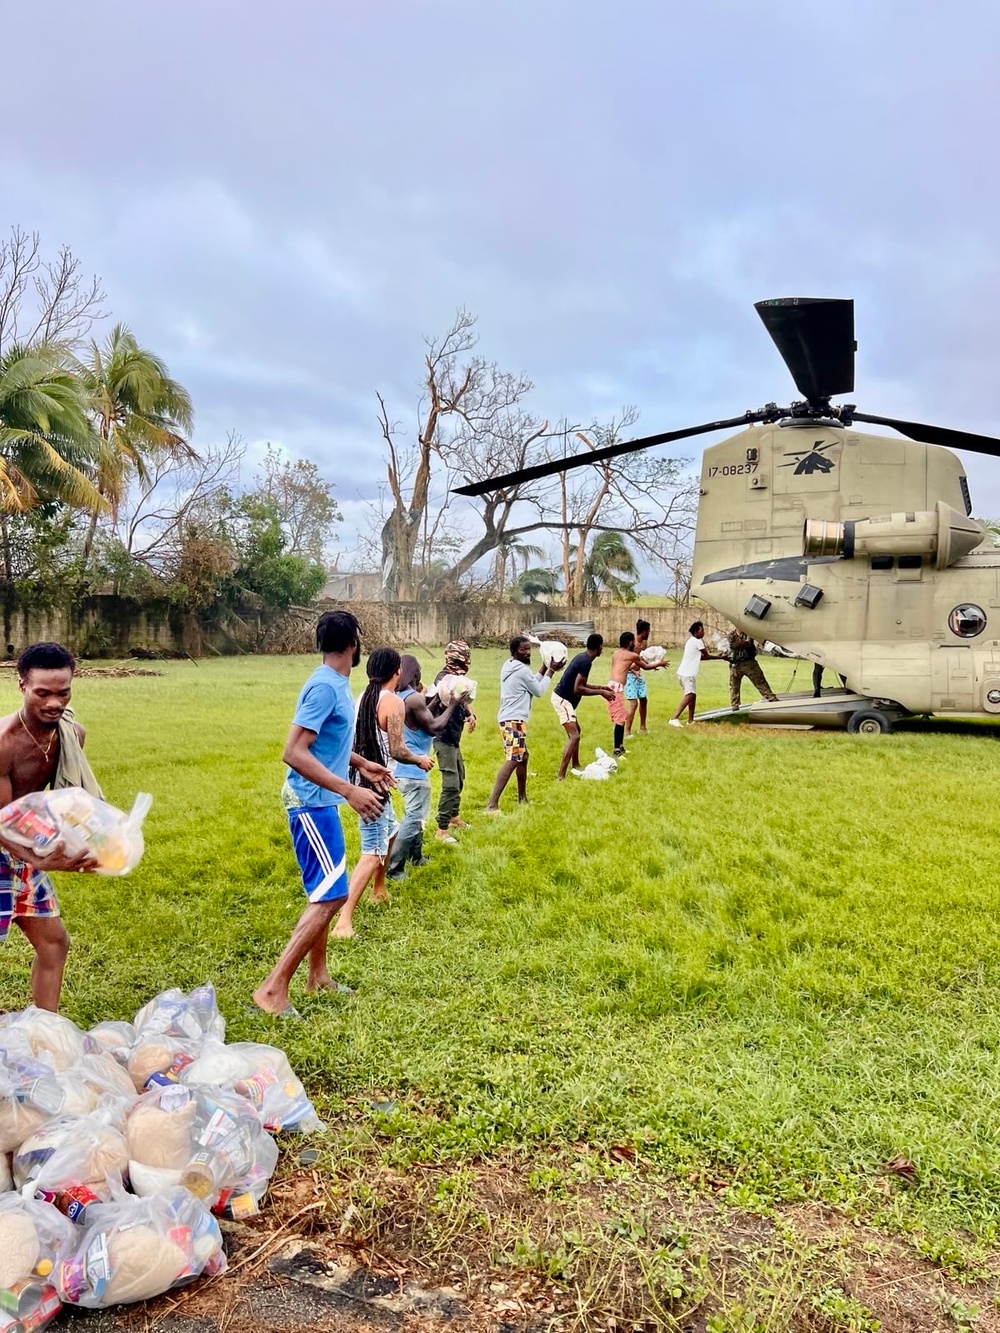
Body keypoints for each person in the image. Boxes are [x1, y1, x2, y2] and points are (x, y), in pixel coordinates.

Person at [253, 611, 392, 1017]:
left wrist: (361, 765)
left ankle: (318, 976)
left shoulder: (333, 683)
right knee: (332, 895)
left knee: (325, 892)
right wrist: (350, 789)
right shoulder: (325, 688)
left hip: (321, 799)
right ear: (354, 644)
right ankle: (273, 989)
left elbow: (324, 746)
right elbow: (293, 752)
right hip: (310, 802)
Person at [0, 642, 101, 1012]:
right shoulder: (4, 742)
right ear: (22, 686)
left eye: (63, 692)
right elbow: (1, 822)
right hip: (6, 837)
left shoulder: (71, 735)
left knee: (54, 942)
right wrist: (42, 860)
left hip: (23, 841)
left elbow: (63, 798)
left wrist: (82, 843)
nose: (54, 703)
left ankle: (47, 1030)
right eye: (42, 692)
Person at [332, 647, 438, 933]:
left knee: (389, 832)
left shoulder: (364, 697)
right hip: (373, 783)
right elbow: (397, 748)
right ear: (398, 672)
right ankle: (344, 920)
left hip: (361, 775)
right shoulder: (393, 702)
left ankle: (378, 890)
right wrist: (420, 759)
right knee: (373, 850)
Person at [387, 655, 459, 876]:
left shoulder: (400, 696)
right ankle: (394, 868)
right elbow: (434, 727)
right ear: (415, 673)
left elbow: (423, 716)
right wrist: (454, 704)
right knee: (414, 818)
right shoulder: (414, 698)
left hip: (403, 768)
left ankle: (416, 857)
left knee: (416, 815)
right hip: (414, 770)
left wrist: (437, 699)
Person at [485, 636, 557, 812]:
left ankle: (522, 798)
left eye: (529, 649)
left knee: (523, 757)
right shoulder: (521, 671)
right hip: (514, 720)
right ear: (515, 650)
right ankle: (492, 805)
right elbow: (538, 690)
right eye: (523, 649)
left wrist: (544, 667)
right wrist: (551, 671)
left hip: (507, 718)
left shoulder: (509, 665)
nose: (527, 652)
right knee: (513, 759)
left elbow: (531, 681)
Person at [430, 640, 476, 841]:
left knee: (459, 778)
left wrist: (470, 714)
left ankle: (453, 817)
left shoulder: (457, 678)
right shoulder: (444, 679)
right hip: (443, 738)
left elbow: (462, 698)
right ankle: (441, 829)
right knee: (450, 783)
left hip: (454, 737)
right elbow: (451, 697)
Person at [551, 634, 612, 780]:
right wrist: (601, 692)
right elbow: (578, 689)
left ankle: (576, 764)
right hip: (562, 700)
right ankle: (560, 776)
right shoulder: (586, 662)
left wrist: (600, 687)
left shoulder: (583, 657)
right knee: (574, 736)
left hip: (565, 700)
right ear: (599, 647)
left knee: (577, 731)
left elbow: (579, 685)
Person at [625, 618, 667, 739]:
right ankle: (627, 732)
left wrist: (653, 664)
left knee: (644, 700)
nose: (649, 633)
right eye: (649, 630)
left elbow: (641, 659)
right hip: (629, 676)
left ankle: (642, 728)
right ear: (644, 631)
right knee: (633, 704)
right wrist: (633, 671)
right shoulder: (631, 643)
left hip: (638, 675)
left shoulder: (644, 644)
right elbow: (625, 661)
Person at [605, 631, 645, 756]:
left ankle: (621, 747)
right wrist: (660, 663)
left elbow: (624, 667)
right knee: (620, 720)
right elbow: (646, 666)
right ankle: (617, 751)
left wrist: (634, 672)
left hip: (612, 686)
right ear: (630, 642)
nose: (635, 643)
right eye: (633, 641)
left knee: (622, 717)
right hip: (616, 690)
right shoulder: (632, 655)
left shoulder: (616, 653)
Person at [669, 621, 713, 728]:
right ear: (696, 631)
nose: (704, 632)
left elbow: (699, 658)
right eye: (702, 630)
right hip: (687, 674)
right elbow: (706, 656)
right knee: (690, 696)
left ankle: (690, 720)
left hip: (683, 673)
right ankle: (674, 718)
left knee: (692, 696)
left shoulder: (691, 641)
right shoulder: (698, 641)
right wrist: (722, 657)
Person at [728, 629, 778, 710]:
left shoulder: (748, 633)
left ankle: (773, 701)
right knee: (734, 686)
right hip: (736, 663)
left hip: (749, 663)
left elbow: (747, 644)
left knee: (761, 683)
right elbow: (731, 646)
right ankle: (735, 705)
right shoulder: (731, 635)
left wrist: (738, 645)